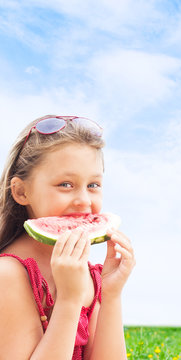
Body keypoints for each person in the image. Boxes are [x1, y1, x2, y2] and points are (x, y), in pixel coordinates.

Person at [0, 115, 135, 359]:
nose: (84, 200)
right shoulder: (8, 276)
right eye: (65, 184)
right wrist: (69, 301)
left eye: (93, 185)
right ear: (21, 191)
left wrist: (111, 294)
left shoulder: (83, 271)